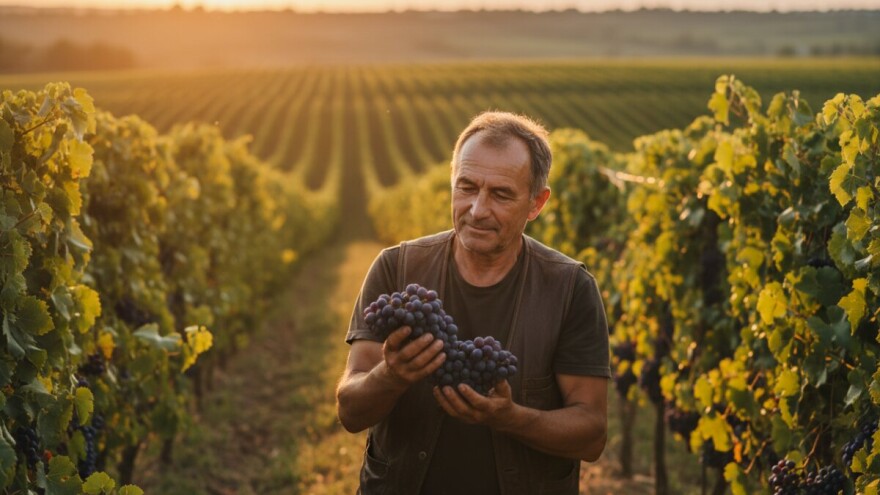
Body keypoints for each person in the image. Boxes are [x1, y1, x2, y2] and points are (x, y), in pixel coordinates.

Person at [336, 111, 610, 495]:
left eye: (500, 194)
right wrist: (391, 375)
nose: (478, 210)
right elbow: (349, 411)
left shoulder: (570, 288)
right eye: (466, 187)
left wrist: (511, 418)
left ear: (536, 203)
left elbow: (592, 434)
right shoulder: (396, 269)